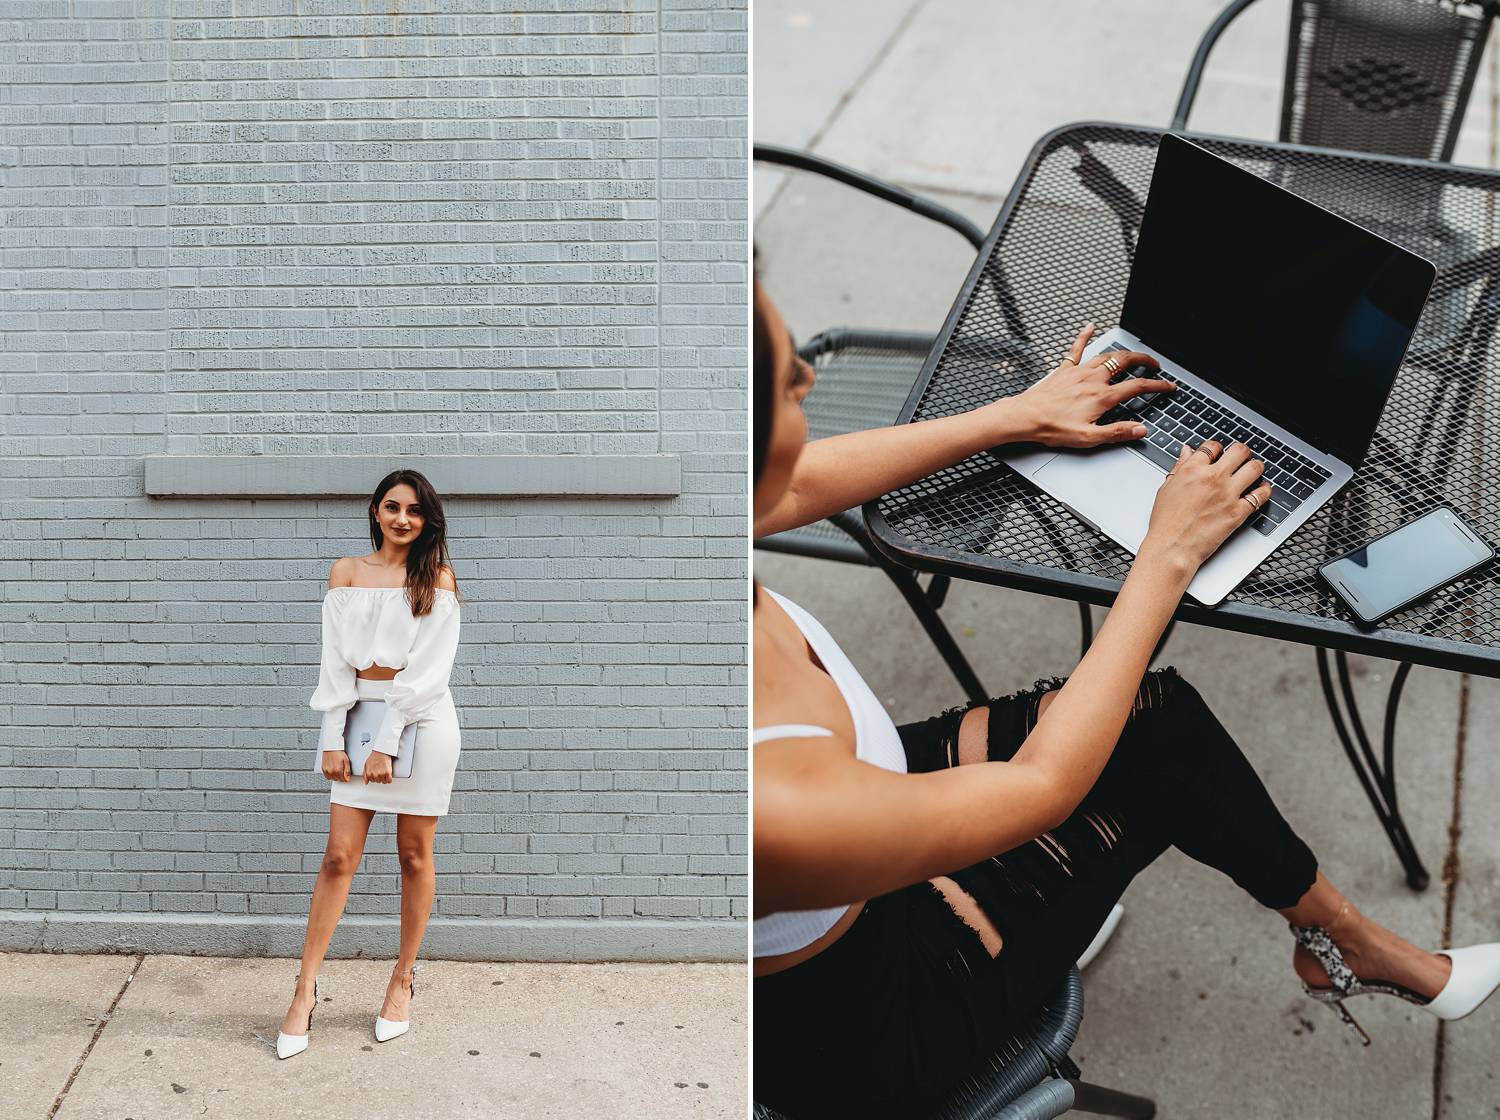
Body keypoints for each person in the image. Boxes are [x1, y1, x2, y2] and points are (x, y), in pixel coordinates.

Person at [751, 280, 1500, 1116]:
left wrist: (1014, 416)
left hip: (849, 806)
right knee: (1148, 765)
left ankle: (1343, 942)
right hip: (871, 1020)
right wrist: (1168, 552)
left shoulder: (657, 520)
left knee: (1157, 720)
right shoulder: (769, 801)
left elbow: (779, 487)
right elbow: (1040, 791)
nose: (809, 379)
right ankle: (1350, 946)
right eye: (785, 380)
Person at [276, 469, 464, 1059]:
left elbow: (429, 675)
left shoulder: (436, 578)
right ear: (375, 511)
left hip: (421, 722)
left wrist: (387, 742)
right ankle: (305, 988)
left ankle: (402, 978)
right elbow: (334, 665)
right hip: (356, 717)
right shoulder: (347, 573)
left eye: (413, 510)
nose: (402, 519)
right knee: (338, 857)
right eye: (392, 507)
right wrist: (332, 736)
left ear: (427, 518)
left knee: (414, 855)